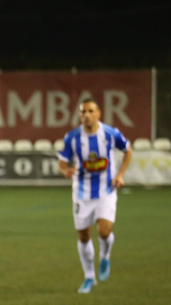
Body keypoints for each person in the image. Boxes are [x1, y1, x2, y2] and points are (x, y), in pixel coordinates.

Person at [58, 101, 131, 294]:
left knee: (104, 232)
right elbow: (62, 162)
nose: (87, 115)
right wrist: (66, 171)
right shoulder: (72, 138)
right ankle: (89, 277)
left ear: (98, 113)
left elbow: (128, 149)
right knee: (83, 236)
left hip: (106, 190)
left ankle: (105, 257)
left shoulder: (110, 133)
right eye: (83, 112)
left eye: (91, 111)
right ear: (79, 115)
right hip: (82, 193)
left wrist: (120, 174)